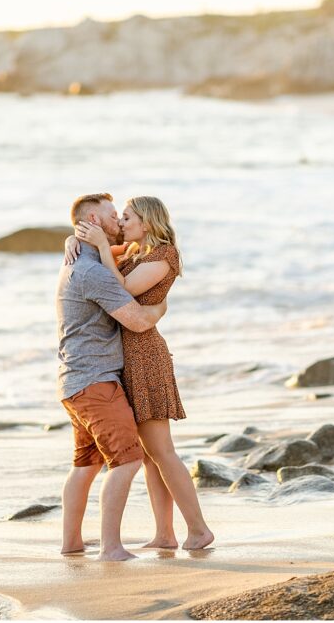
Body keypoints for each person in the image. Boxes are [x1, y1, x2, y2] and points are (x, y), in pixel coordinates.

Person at [68, 196, 214, 551]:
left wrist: (103, 245)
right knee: (150, 455)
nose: (121, 222)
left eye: (128, 217)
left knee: (162, 451)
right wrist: (74, 239)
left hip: (146, 357)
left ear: (146, 222)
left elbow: (123, 290)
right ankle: (165, 534)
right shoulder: (133, 252)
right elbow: (95, 250)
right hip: (127, 357)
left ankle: (199, 530)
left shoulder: (163, 256)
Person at [56, 193, 169, 561]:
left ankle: (72, 544)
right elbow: (136, 321)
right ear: (93, 219)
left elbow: (123, 255)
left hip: (74, 381)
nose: (119, 223)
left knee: (85, 465)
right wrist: (157, 308)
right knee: (127, 460)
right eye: (112, 216)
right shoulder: (93, 272)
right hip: (96, 381)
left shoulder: (79, 259)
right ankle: (111, 548)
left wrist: (77, 238)